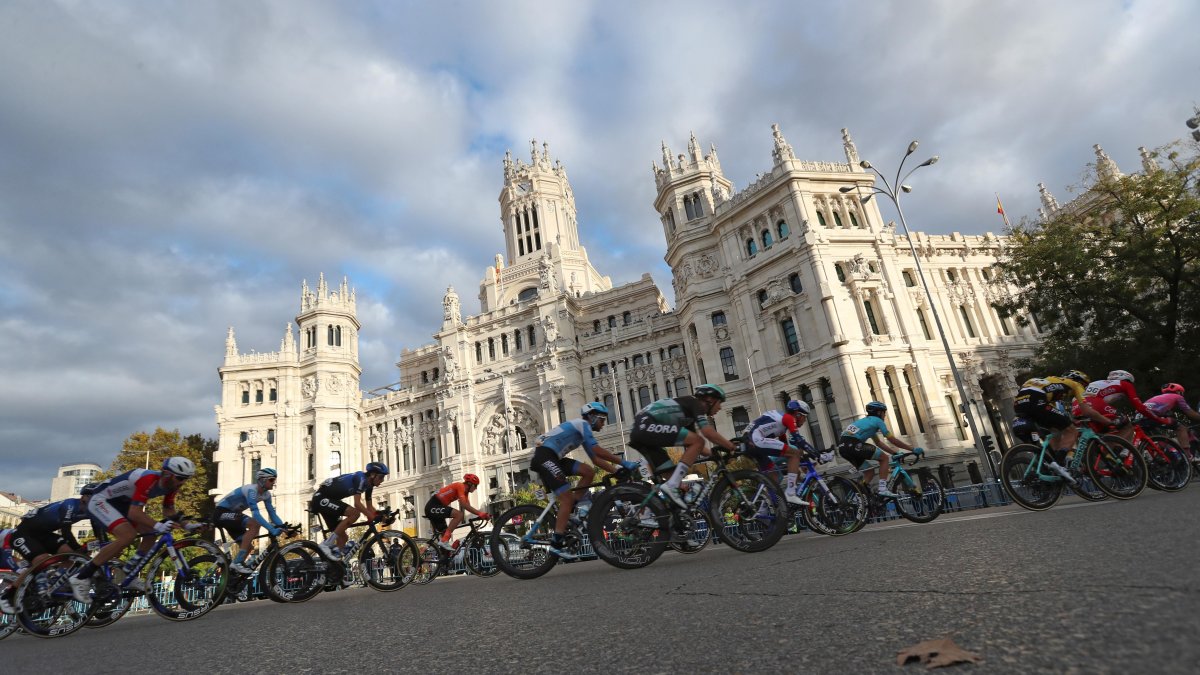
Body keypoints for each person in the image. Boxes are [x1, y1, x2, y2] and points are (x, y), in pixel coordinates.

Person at [68, 457, 196, 602]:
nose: (182, 482)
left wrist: (187, 525)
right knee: (127, 535)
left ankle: (129, 571)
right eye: (180, 478)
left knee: (150, 534)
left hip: (121, 504)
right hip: (100, 501)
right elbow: (134, 513)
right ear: (167, 473)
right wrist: (158, 525)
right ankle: (81, 576)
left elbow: (168, 510)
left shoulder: (172, 486)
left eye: (186, 479)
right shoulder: (147, 479)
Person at [528, 402, 640, 558]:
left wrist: (616, 471)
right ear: (592, 417)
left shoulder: (582, 433)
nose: (603, 424)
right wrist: (623, 463)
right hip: (545, 456)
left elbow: (595, 459)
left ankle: (572, 508)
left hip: (553, 457)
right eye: (602, 420)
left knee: (588, 472)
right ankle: (555, 543)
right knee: (565, 498)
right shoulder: (583, 425)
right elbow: (596, 450)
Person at [628, 384, 739, 509]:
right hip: (646, 426)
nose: (719, 407)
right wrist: (731, 446)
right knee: (698, 441)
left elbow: (699, 449)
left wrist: (716, 456)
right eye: (719, 403)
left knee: (672, 477)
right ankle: (672, 486)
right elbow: (707, 433)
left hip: (640, 432)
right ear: (710, 400)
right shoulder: (695, 403)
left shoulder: (687, 414)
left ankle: (656, 516)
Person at [1, 484, 103, 613]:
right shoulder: (70, 504)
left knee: (70, 555)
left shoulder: (91, 510)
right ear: (84, 497)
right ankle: (8, 595)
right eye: (94, 497)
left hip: (43, 534)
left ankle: (54, 583)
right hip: (23, 533)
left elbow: (97, 528)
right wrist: (78, 549)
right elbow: (66, 531)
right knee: (43, 559)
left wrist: (105, 543)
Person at [1012, 370, 1112, 482]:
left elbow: (1054, 415)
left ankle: (1052, 464)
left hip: (1018, 403)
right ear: (1080, 381)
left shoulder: (1050, 382)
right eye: (1085, 385)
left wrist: (1070, 421)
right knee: (1072, 431)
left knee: (1055, 431)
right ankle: (1058, 463)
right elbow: (1087, 411)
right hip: (1036, 400)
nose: (1084, 388)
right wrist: (1108, 421)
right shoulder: (1075, 384)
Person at [743, 400, 828, 505]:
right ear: (798, 414)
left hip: (749, 443)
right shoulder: (789, 418)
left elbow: (785, 446)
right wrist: (818, 455)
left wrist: (795, 466)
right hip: (755, 440)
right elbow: (799, 440)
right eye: (805, 417)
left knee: (774, 477)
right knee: (795, 454)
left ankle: (764, 508)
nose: (805, 420)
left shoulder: (781, 422)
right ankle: (791, 494)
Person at [837, 401, 924, 498]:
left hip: (843, 448)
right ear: (879, 412)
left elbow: (878, 443)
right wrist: (912, 449)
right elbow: (892, 439)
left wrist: (893, 452)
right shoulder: (878, 421)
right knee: (884, 458)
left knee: (869, 472)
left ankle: (857, 497)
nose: (885, 415)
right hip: (853, 444)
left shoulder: (866, 423)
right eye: (884, 412)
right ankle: (883, 489)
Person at [213, 468, 289, 574]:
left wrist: (283, 526)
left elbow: (272, 513)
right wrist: (271, 529)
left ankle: (228, 575)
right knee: (255, 524)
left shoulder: (266, 495)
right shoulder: (251, 491)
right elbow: (256, 514)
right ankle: (237, 563)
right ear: (262, 480)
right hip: (221, 512)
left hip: (233, 516)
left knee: (248, 547)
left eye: (275, 480)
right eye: (271, 480)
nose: (274, 483)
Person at [310, 462, 388, 560]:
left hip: (330, 500)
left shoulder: (369, 486)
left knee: (343, 538)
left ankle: (332, 568)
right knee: (355, 513)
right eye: (381, 477)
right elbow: (357, 504)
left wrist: (382, 516)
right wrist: (371, 516)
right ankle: (327, 544)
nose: (382, 480)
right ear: (372, 475)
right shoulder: (360, 478)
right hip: (321, 498)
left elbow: (370, 508)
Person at [1080, 370, 1170, 441]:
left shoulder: (1101, 383)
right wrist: (1158, 419)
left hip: (1078, 405)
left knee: (1106, 429)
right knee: (1127, 425)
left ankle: (1096, 456)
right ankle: (1113, 452)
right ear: (1127, 380)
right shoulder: (1125, 384)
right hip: (1093, 404)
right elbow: (1139, 406)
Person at [424, 474, 491, 554]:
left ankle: (444, 558)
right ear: (470, 484)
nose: (476, 488)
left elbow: (468, 507)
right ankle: (444, 540)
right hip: (433, 505)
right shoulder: (460, 486)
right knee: (459, 515)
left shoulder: (465, 493)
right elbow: (464, 505)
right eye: (475, 486)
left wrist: (480, 515)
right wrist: (480, 513)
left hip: (438, 506)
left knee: (445, 535)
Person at [1143, 383, 1200, 452]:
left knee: (1161, 438)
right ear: (1178, 392)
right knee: (1181, 427)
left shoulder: (1155, 397)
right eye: (1182, 393)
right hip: (1153, 417)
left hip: (1140, 419)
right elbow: (1190, 413)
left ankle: (1161, 456)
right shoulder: (1177, 397)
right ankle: (1187, 455)